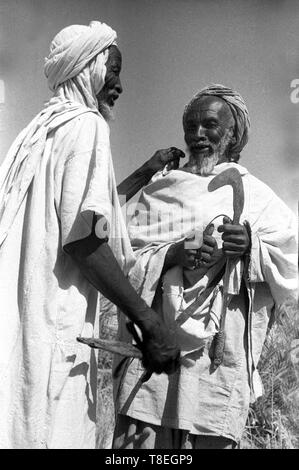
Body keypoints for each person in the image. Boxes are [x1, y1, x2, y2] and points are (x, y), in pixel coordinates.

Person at [0, 20, 182, 449]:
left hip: (20, 327)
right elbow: (85, 236)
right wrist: (150, 321)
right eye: (112, 70)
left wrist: (146, 170)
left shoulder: (35, 135)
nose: (119, 85)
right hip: (52, 329)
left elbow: (87, 211)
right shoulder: (87, 126)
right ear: (86, 68)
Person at [112, 84, 298, 449]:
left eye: (210, 125)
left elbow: (291, 263)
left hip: (216, 367)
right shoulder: (160, 190)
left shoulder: (258, 197)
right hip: (152, 364)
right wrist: (174, 254)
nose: (197, 135)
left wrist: (252, 247)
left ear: (233, 135)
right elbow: (122, 261)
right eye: (191, 126)